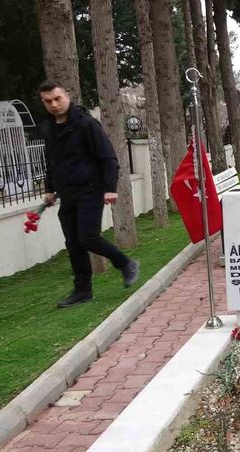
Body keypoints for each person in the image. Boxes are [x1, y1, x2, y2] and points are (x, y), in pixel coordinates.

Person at [37, 81, 139, 308]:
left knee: (88, 237)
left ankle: (126, 264)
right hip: (67, 194)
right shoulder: (50, 129)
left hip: (91, 190)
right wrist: (49, 189)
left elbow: (108, 157)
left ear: (67, 95)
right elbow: (51, 162)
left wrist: (111, 188)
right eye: (48, 101)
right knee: (73, 243)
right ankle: (83, 291)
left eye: (57, 98)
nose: (54, 104)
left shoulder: (86, 124)